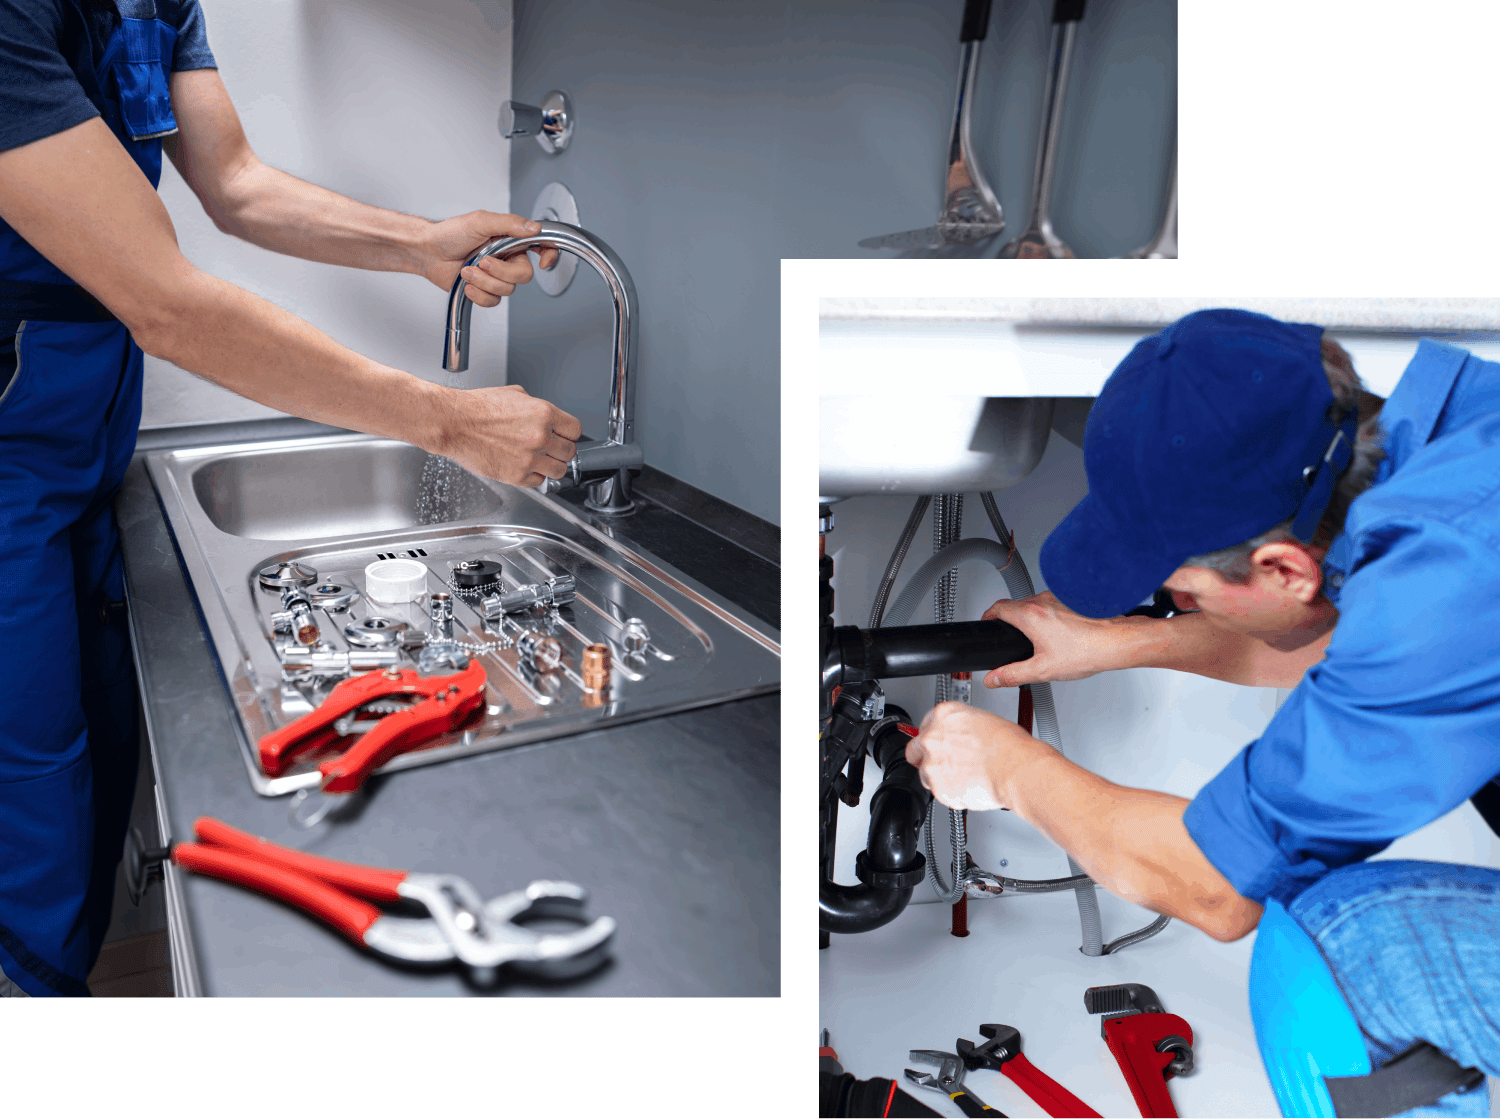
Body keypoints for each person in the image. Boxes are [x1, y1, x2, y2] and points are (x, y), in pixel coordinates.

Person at [0, 0, 579, 997]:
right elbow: (167, 300)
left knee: (87, 775)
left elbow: (234, 183)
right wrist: (447, 420)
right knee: (29, 806)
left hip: (80, 446)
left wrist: (421, 244)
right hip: (12, 455)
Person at [904, 309, 1500, 1117]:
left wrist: (1010, 770)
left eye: (1182, 589)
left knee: (1340, 951)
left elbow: (1219, 890)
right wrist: (1112, 642)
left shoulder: (1443, 586)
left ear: (1282, 565)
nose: (1177, 603)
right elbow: (1348, 646)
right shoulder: (1446, 465)